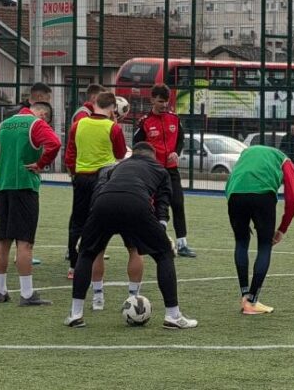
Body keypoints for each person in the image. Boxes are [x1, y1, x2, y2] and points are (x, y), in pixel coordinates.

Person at [66, 142, 197, 329]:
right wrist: (161, 228)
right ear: (153, 156)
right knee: (164, 254)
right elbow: (163, 200)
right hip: (136, 204)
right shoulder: (159, 169)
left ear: (133, 154)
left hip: (103, 204)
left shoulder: (117, 167)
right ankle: (173, 316)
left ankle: (75, 314)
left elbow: (100, 189)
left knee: (86, 253)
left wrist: (89, 229)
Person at [0, 101, 61, 305]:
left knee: (3, 240)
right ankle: (26, 294)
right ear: (43, 115)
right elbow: (54, 143)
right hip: (24, 186)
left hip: (4, 186)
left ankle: (1, 290)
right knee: (25, 242)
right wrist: (41, 163)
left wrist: (2, 161)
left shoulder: (4, 124)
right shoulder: (36, 124)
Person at [64, 91, 129, 309]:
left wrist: (74, 172)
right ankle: (96, 274)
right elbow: (120, 153)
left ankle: (74, 265)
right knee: (100, 224)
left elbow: (70, 152)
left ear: (94, 105)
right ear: (113, 108)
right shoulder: (113, 128)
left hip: (82, 177)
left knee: (78, 222)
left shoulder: (78, 124)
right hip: (103, 178)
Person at [224, 144, 294, 315]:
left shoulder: (246, 153)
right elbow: (293, 199)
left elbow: (230, 182)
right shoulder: (285, 160)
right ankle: (252, 301)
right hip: (263, 197)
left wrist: (237, 210)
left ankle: (245, 295)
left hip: (235, 196)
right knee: (265, 246)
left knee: (241, 242)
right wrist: (282, 229)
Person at [133, 84, 196, 258]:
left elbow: (181, 139)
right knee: (154, 206)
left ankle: (182, 244)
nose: (164, 105)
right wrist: (147, 160)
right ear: (152, 100)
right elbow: (137, 144)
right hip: (152, 172)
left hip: (171, 170)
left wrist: (176, 152)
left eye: (166, 101)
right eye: (160, 101)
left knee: (178, 203)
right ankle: (153, 241)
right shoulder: (145, 122)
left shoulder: (174, 119)